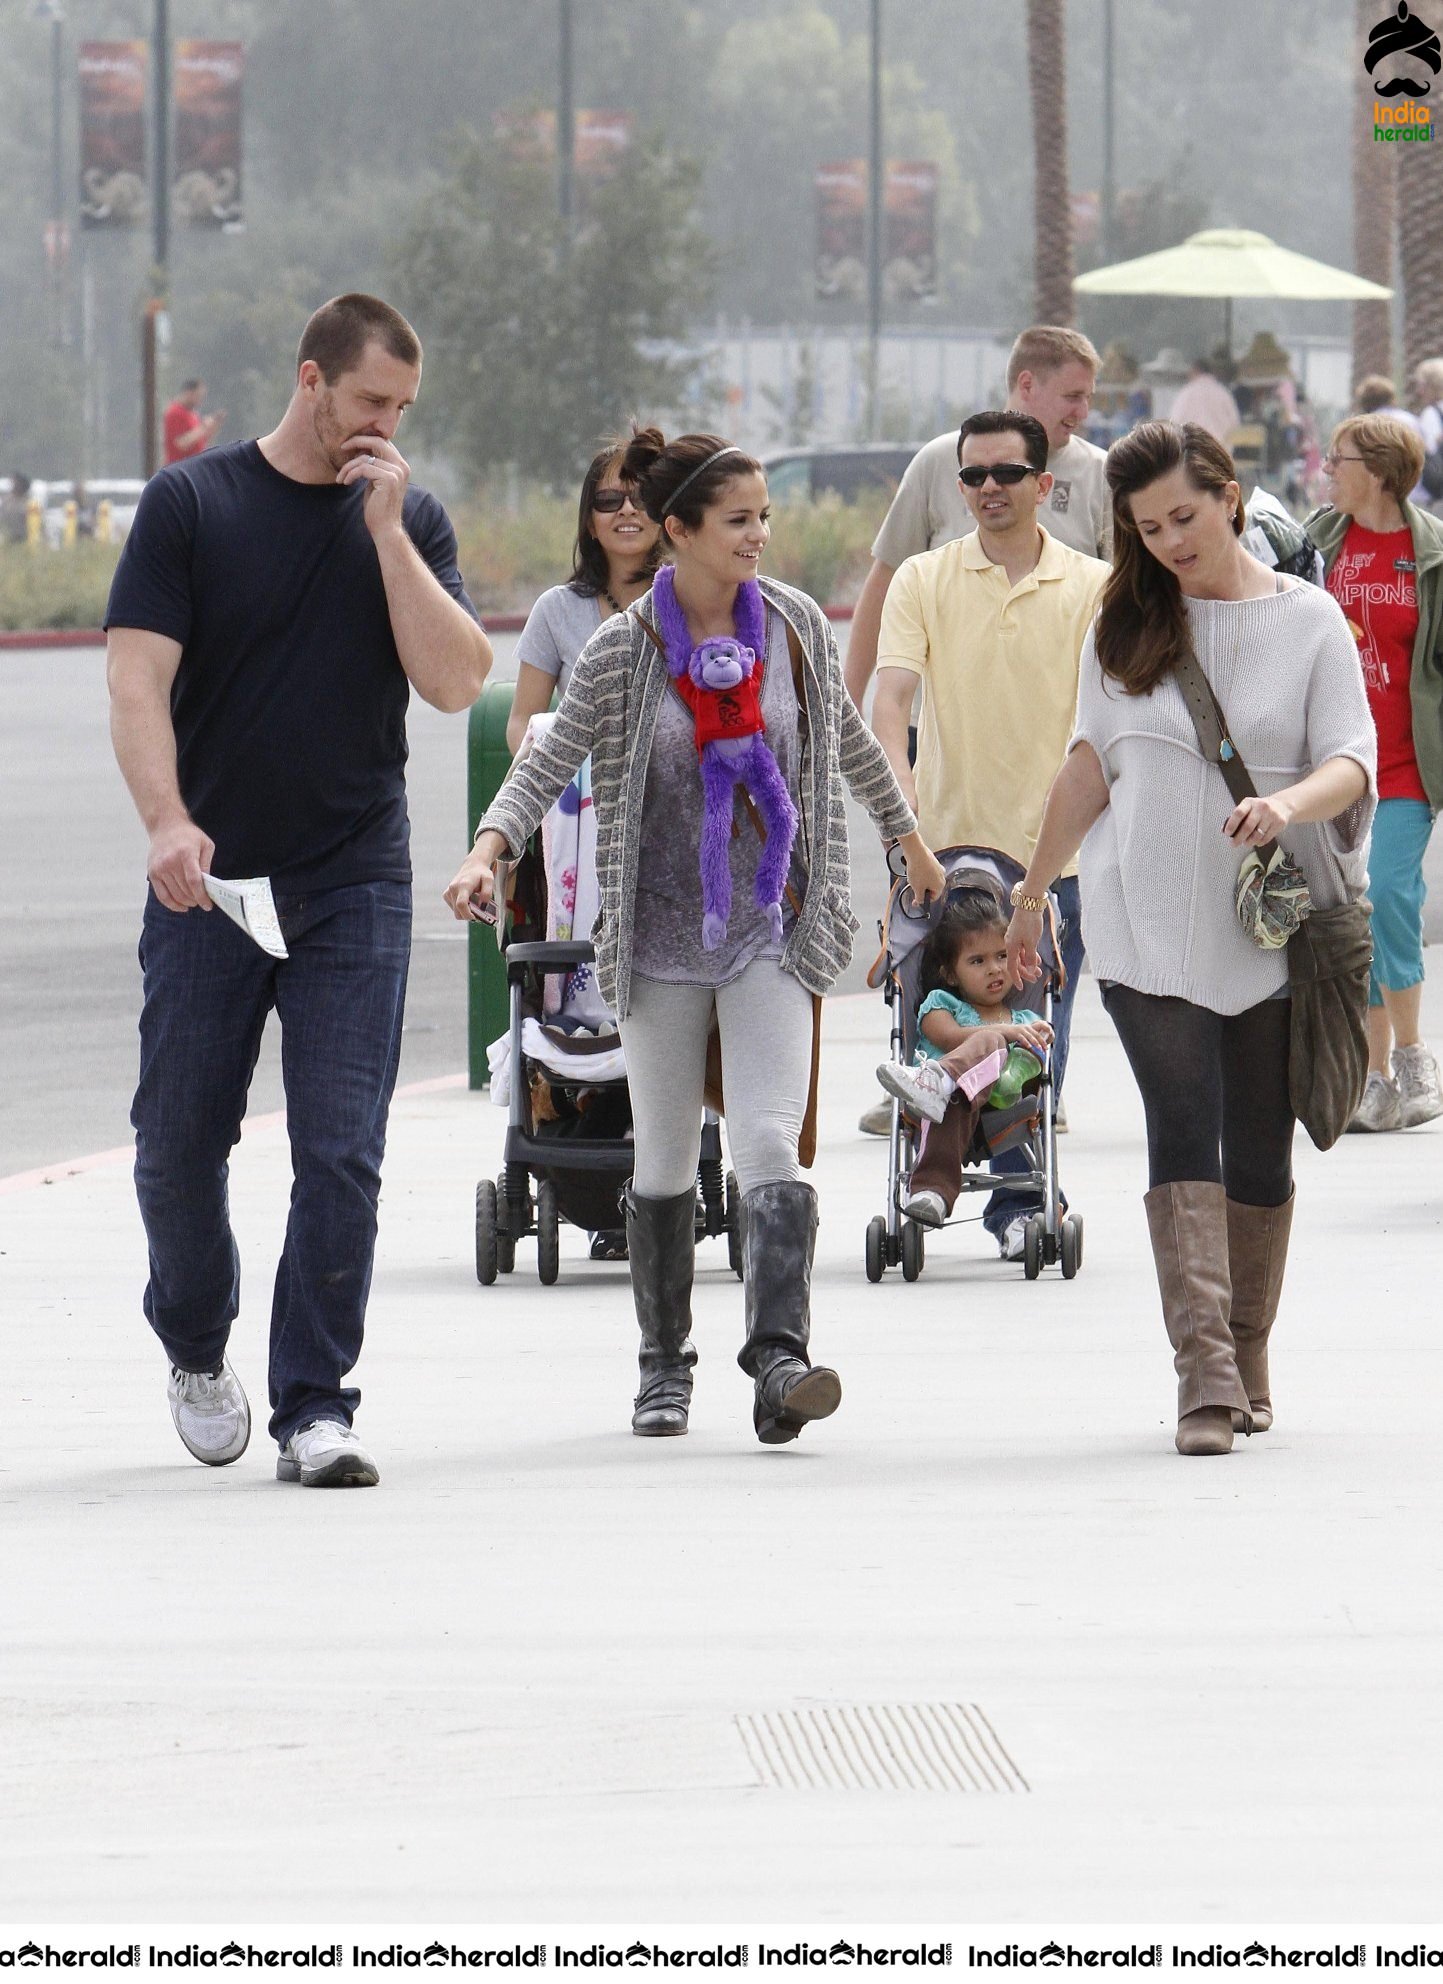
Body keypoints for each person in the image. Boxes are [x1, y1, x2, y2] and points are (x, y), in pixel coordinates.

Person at [445, 430, 945, 1445]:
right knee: (665, 1161)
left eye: (765, 515)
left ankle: (779, 1358)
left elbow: (848, 737)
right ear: (677, 532)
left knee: (766, 1139)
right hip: (656, 939)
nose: (760, 534)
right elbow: (548, 763)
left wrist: (910, 842)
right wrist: (489, 849)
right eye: (738, 519)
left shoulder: (795, 624)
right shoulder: (623, 648)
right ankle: (663, 1364)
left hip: (770, 924)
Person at [106, 292, 491, 1489]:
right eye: (372, 400)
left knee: (340, 1151)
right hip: (210, 887)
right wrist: (167, 822)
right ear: (313, 379)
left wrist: (383, 536)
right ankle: (192, 1340)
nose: (386, 424)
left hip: (354, 881)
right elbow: (135, 684)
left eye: (405, 409)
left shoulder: (408, 517)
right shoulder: (192, 506)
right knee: (177, 1148)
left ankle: (315, 1404)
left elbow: (457, 680)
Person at [1006, 421, 1374, 1457]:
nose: (1168, 540)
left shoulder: (1310, 623)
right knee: (1184, 1117)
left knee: (1259, 1146)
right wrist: (1036, 892)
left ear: (1230, 494)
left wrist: (1288, 806)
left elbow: (1351, 759)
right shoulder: (1122, 622)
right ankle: (1202, 1372)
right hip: (1144, 916)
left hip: (1267, 920)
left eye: (1182, 516)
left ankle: (1248, 1348)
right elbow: (1091, 763)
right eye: (1146, 527)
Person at [845, 324, 1109, 1136]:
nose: (989, 487)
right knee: (941, 1004)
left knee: (1037, 1040)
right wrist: (902, 813)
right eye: (974, 476)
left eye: (1006, 473)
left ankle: (1016, 1190)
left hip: (1054, 846)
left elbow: (1107, 719)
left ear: (1041, 482)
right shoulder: (925, 579)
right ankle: (946, 1151)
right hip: (948, 848)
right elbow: (892, 700)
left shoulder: (1094, 586)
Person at [509, 440, 665, 1259]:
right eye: (609, 499)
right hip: (574, 828)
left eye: (641, 495)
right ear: (588, 517)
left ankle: (654, 1181)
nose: (626, 511)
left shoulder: (692, 598)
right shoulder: (558, 612)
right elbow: (522, 726)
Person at [1307, 413, 1443, 1130]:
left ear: (1382, 472)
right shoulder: (1319, 542)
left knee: (1391, 893)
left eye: (1341, 457)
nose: (1328, 466)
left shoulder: (1431, 554)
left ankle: (1415, 1055)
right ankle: (1370, 1074)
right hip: (1337, 765)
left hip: (1405, 764)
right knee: (1353, 913)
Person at [876, 886, 1054, 1228]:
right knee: (959, 1088)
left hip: (998, 1109)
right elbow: (948, 1036)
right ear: (950, 973)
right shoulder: (942, 1003)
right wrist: (1002, 1035)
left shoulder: (1023, 1023)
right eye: (978, 961)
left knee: (992, 1048)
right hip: (944, 1105)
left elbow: (1035, 1067)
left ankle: (938, 1083)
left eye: (1002, 956)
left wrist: (1040, 1037)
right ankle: (932, 1194)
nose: (994, 969)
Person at [1167, 360, 1241, 445]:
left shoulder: (1186, 393)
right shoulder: (1223, 393)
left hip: (1193, 451)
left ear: (1195, 371)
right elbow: (1235, 422)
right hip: (1220, 450)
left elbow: (1175, 421)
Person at [162, 378, 225, 466]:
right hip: (179, 468)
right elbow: (181, 443)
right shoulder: (174, 412)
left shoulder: (193, 414)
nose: (200, 400)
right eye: (198, 396)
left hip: (195, 466)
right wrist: (203, 427)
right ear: (189, 393)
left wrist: (213, 426)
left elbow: (201, 441)